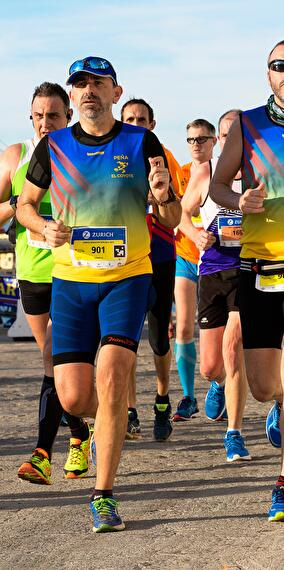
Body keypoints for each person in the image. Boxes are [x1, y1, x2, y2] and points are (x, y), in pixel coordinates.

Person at [17, 56, 178, 532]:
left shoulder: (142, 141)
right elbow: (23, 206)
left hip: (127, 279)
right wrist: (44, 226)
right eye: (80, 84)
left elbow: (169, 221)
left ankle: (102, 494)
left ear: (116, 92)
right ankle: (92, 425)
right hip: (70, 283)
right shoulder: (53, 146)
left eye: (98, 84)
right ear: (73, 95)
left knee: (111, 379)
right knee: (74, 397)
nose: (88, 91)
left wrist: (164, 195)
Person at [0, 82, 91, 485]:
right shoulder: (15, 156)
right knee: (52, 363)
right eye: (37, 115)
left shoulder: (78, 153)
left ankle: (42, 453)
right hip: (32, 272)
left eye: (53, 115)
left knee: (57, 356)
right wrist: (20, 206)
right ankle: (79, 432)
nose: (44, 122)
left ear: (67, 117)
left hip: (72, 271)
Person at [209, 41, 284, 521]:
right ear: (269, 74)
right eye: (280, 64)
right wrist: (240, 202)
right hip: (259, 267)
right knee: (261, 385)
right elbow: (217, 186)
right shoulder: (248, 124)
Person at [179, 109, 252, 462]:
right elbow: (179, 211)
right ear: (220, 141)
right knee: (211, 365)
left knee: (234, 348)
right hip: (211, 272)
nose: (230, 140)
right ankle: (217, 385)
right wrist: (194, 233)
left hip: (249, 270)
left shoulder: (259, 175)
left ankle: (234, 433)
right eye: (225, 135)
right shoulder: (207, 175)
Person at [121, 98, 182, 440]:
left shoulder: (164, 157)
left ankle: (161, 398)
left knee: (159, 339)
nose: (135, 124)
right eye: (129, 118)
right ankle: (129, 410)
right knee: (125, 338)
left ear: (152, 123)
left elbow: (174, 214)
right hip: (127, 258)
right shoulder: (114, 156)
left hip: (160, 254)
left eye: (141, 119)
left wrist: (158, 195)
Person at [172, 119, 217, 421]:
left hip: (216, 261)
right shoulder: (181, 175)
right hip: (185, 257)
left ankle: (219, 382)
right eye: (191, 139)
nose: (196, 144)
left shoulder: (224, 174)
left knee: (217, 328)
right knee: (185, 326)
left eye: (202, 139)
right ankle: (188, 396)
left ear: (214, 141)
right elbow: (176, 213)